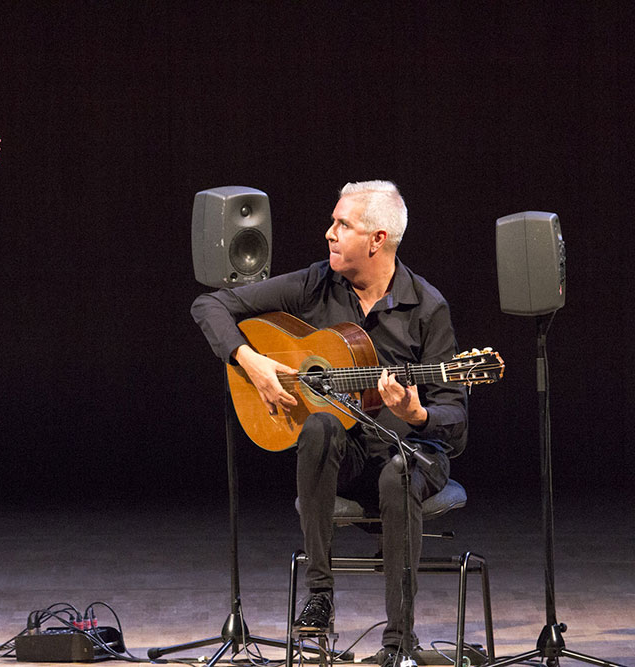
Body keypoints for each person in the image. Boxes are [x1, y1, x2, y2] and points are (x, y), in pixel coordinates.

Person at [191, 181, 467, 666]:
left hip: (413, 456)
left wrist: (416, 413)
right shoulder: (318, 282)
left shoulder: (427, 307)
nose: (329, 233)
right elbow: (209, 305)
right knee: (319, 426)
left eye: (343, 225)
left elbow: (455, 423)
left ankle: (399, 644)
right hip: (347, 456)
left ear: (378, 239)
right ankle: (320, 593)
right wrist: (249, 361)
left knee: (398, 473)